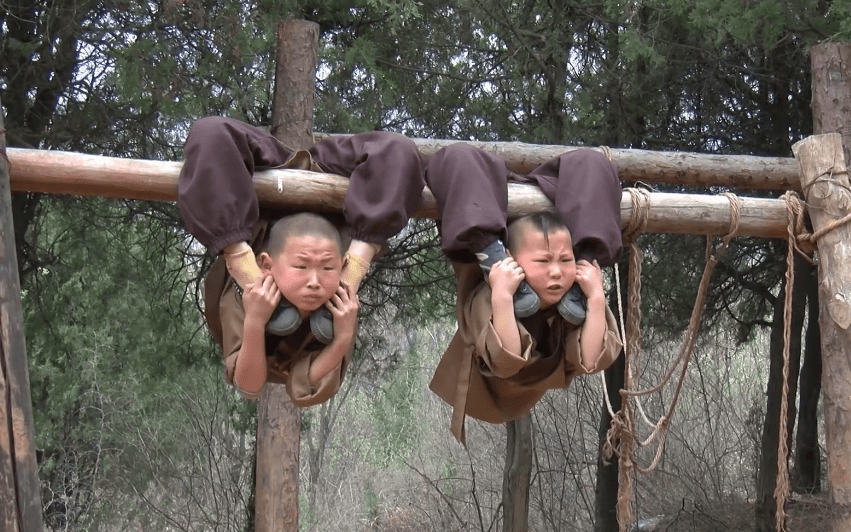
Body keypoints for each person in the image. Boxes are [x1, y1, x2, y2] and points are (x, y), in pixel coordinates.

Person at [178, 116, 425, 404]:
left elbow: (248, 385)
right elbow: (268, 386)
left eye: (326, 268)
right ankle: (356, 264)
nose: (315, 282)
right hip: (330, 189)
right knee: (398, 151)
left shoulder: (248, 295)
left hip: (267, 189)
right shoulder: (340, 308)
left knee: (211, 133)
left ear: (264, 264)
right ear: (268, 264)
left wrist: (253, 301)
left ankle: (239, 259)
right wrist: (350, 277)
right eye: (302, 267)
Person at [424, 143, 624, 443]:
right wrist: (503, 295)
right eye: (543, 262)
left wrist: (593, 296)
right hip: (500, 324)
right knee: (458, 157)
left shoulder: (574, 288)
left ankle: (585, 252)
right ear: (512, 261)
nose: (556, 273)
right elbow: (506, 361)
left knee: (592, 163)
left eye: (565, 260)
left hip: (557, 316)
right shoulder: (490, 292)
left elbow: (590, 359)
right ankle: (488, 250)